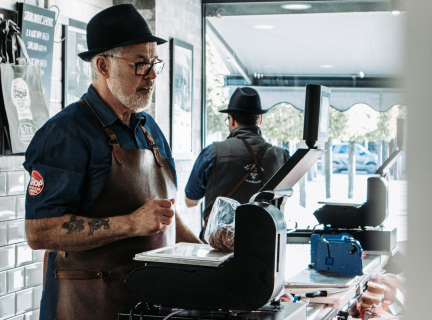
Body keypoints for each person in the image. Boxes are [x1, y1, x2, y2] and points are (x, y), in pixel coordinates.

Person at [23, 5, 200, 320]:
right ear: (103, 65)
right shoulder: (66, 134)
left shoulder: (150, 130)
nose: (152, 75)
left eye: (154, 62)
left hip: (148, 308)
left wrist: (211, 255)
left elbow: (165, 216)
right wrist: (131, 223)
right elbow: (40, 231)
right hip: (84, 310)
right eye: (139, 64)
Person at [184, 87, 289, 240]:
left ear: (231, 119)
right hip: (264, 244)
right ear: (260, 119)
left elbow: (190, 201)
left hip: (218, 244)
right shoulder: (282, 156)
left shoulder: (213, 152)